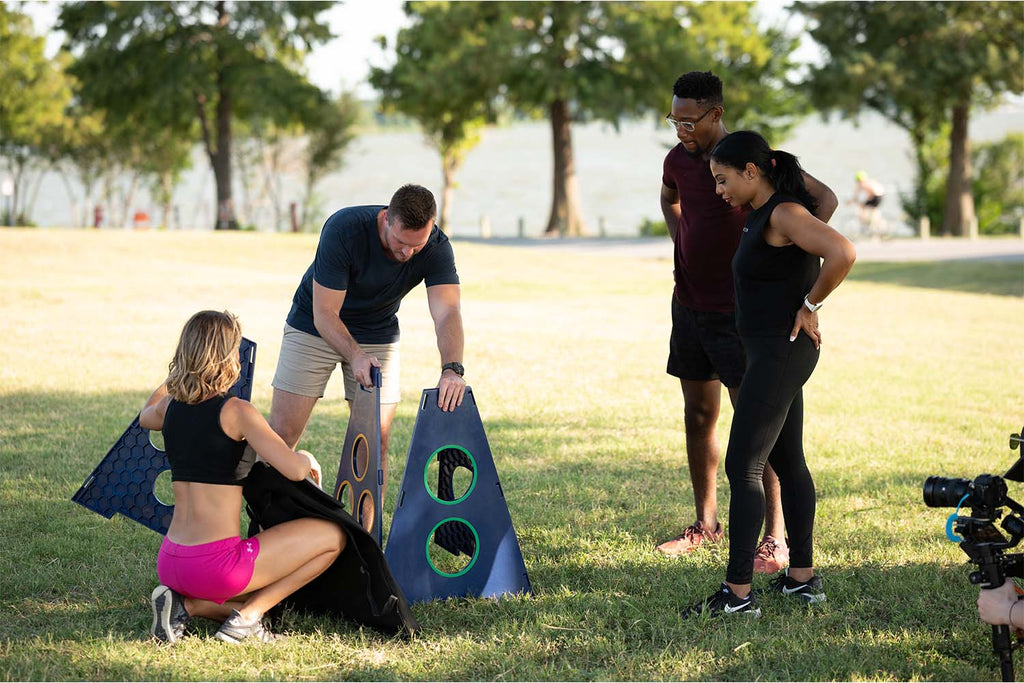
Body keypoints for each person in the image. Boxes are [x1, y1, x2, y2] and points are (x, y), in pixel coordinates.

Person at [656, 71, 838, 575]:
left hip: (743, 315)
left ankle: (774, 539)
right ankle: (706, 524)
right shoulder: (678, 160)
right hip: (689, 303)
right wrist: (683, 240)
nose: (680, 129)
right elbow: (670, 198)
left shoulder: (757, 165)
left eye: (689, 120)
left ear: (716, 113)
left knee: (762, 432)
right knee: (699, 415)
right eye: (674, 119)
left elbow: (824, 206)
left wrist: (795, 279)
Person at [682, 131, 856, 617]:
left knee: (744, 467)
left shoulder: (784, 213)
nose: (719, 191)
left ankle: (737, 594)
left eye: (724, 179)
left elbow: (842, 252)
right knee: (790, 460)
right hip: (769, 354)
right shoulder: (763, 214)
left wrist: (810, 304)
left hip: (780, 353)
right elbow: (826, 202)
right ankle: (802, 579)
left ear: (752, 171)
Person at [140, 310, 347, 643]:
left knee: (252, 597)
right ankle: (247, 621)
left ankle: (185, 605)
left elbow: (143, 416)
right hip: (216, 566)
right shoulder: (236, 411)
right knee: (333, 537)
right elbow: (294, 469)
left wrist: (178, 375)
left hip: (171, 562)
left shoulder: (170, 408)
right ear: (227, 357)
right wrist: (306, 456)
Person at [266, 184, 467, 526]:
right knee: (281, 434)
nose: (407, 254)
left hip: (377, 331)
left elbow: (447, 312)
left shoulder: (433, 246)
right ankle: (269, 524)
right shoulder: (345, 229)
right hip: (313, 326)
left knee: (376, 442)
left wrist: (452, 369)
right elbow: (325, 314)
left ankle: (366, 539)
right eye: (401, 243)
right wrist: (356, 356)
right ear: (387, 219)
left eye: (416, 246)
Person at [851, 171, 885, 238]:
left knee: (866, 208)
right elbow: (856, 195)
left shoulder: (865, 184)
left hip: (877, 196)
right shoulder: (864, 184)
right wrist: (852, 201)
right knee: (868, 209)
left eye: (859, 181)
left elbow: (872, 192)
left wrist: (864, 201)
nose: (859, 183)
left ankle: (870, 225)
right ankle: (871, 224)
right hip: (878, 195)